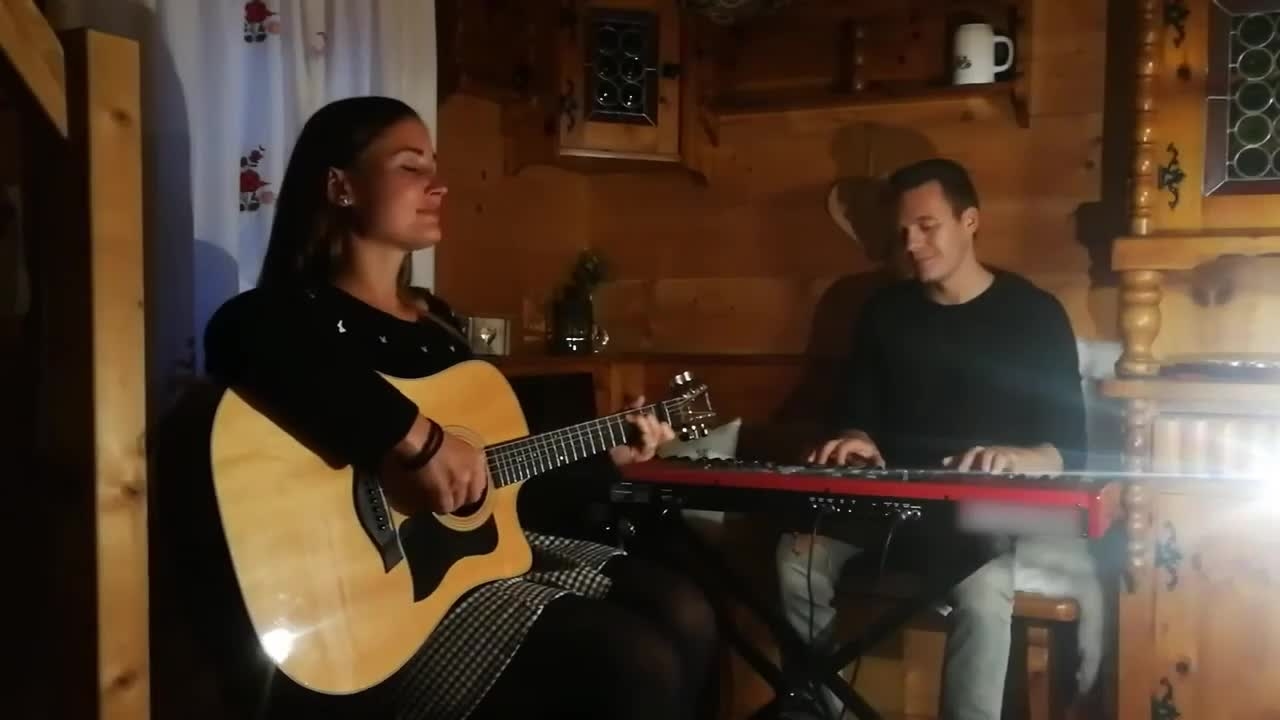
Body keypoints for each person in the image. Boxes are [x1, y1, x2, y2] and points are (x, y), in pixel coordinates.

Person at [203, 95, 718, 720]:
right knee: (631, 661)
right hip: (371, 610)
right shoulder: (290, 315)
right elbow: (239, 333)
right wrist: (415, 440)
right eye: (410, 166)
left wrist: (606, 456)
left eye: (435, 166)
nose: (438, 185)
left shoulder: (438, 326)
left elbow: (494, 493)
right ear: (341, 186)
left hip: (465, 571)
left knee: (684, 609)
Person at [776, 158, 1086, 720]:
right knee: (796, 558)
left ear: (970, 221)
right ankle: (825, 711)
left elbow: (1070, 449)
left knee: (984, 589)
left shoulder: (1035, 315)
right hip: (888, 506)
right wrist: (854, 438)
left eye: (927, 226)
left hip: (975, 514)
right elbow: (856, 416)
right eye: (903, 232)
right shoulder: (884, 312)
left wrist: (1018, 456)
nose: (912, 245)